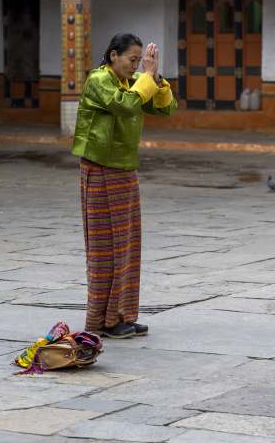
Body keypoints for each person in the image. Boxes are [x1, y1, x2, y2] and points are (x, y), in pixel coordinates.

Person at [72, 32, 177, 339]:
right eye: (132, 60)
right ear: (113, 56)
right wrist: (146, 78)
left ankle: (121, 315)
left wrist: (154, 77)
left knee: (127, 244)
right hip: (101, 169)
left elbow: (164, 109)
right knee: (106, 247)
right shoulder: (99, 80)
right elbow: (125, 107)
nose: (135, 66)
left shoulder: (131, 83)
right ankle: (101, 320)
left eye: (139, 61)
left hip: (124, 170)